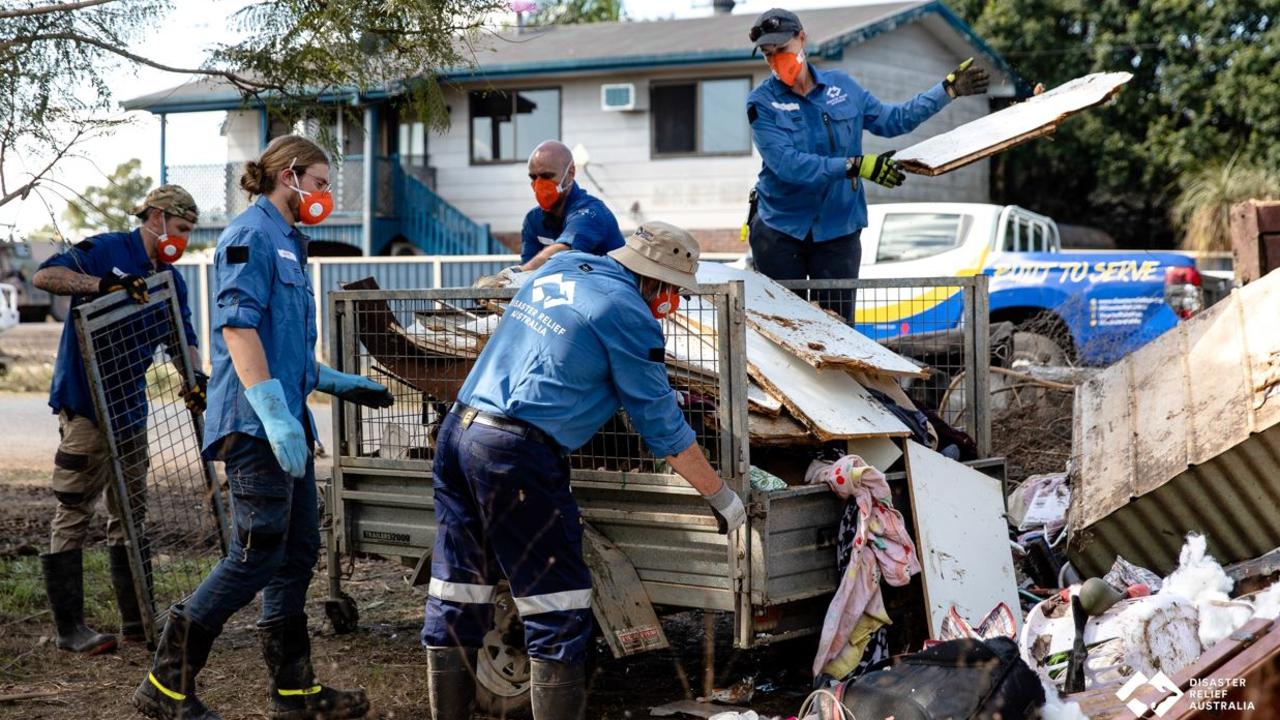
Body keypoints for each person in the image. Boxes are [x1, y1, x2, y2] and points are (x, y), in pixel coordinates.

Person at [423, 221, 747, 720]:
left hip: (458, 433)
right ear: (655, 282)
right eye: (673, 292)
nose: (673, 303)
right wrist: (721, 497)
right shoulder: (630, 315)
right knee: (557, 605)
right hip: (515, 454)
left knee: (460, 588)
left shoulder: (564, 266)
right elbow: (661, 425)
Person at [132, 135, 392, 720]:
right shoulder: (251, 235)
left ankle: (295, 693)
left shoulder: (289, 242)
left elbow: (284, 348)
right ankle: (165, 686)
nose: (327, 195)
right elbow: (238, 330)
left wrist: (337, 381)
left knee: (297, 552)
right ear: (290, 175)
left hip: (286, 421)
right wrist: (274, 413)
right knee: (256, 552)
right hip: (255, 427)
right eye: (322, 183)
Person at [32, 185, 204, 656]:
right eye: (181, 228)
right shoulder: (108, 249)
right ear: (155, 217)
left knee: (131, 513)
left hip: (129, 407)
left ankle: (138, 620)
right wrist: (102, 285)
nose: (183, 240)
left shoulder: (170, 278)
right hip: (86, 403)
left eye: (190, 232)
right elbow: (47, 275)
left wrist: (194, 376)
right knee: (74, 507)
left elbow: (180, 335)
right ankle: (70, 628)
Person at [745, 7, 989, 314]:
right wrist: (856, 165)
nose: (776, 60)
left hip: (838, 229)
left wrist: (946, 91)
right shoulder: (761, 102)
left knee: (836, 329)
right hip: (780, 230)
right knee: (782, 326)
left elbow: (893, 120)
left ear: (802, 39)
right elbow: (788, 165)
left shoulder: (842, 88)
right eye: (768, 54)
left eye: (782, 49)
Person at [478, 140, 625, 287]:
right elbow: (529, 276)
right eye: (533, 177)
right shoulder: (533, 220)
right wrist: (515, 277)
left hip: (609, 294)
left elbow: (563, 251)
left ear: (571, 173)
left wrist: (515, 275)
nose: (539, 184)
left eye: (547, 176)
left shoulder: (591, 213)